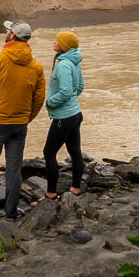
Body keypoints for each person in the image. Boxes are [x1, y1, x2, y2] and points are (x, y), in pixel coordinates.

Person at [0, 19, 46, 222]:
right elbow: (39, 99)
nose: (6, 32)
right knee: (14, 168)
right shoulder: (36, 66)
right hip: (19, 124)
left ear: (12, 36)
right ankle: (11, 213)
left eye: (8, 30)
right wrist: (26, 117)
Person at [37, 30, 85, 203]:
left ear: (64, 45)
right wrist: (70, 100)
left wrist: (50, 102)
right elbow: (79, 87)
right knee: (75, 152)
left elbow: (65, 91)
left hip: (64, 118)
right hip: (75, 114)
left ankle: (51, 194)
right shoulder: (73, 61)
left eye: (57, 41)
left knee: (49, 153)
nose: (54, 42)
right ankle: (76, 188)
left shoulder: (64, 64)